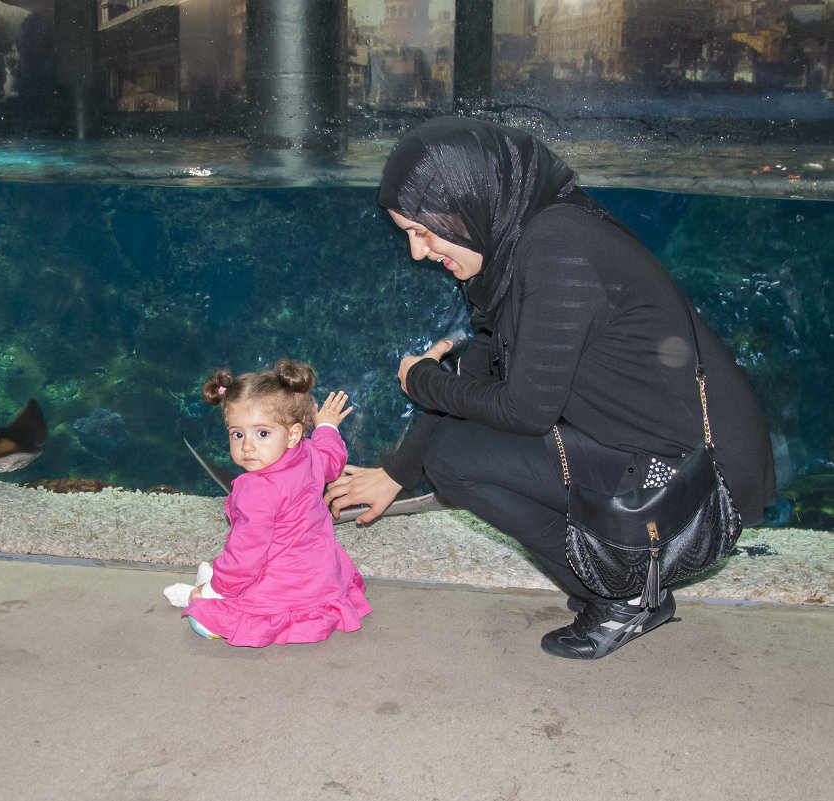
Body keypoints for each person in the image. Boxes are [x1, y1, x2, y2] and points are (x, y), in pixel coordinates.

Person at [323, 117, 775, 660]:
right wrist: (399, 471)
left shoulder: (557, 247)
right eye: (409, 236)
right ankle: (619, 582)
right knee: (451, 454)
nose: (418, 253)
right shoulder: (510, 252)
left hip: (699, 478)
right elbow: (478, 377)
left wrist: (423, 380)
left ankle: (626, 594)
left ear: (470, 200)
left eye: (424, 231)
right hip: (651, 449)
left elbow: (526, 411)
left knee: (456, 462)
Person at [175, 359, 372, 647]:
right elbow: (331, 458)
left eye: (262, 433)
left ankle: (215, 600)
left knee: (201, 617)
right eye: (237, 434)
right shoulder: (308, 453)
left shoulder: (257, 489)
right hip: (321, 574)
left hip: (283, 587)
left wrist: (214, 590)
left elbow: (246, 557)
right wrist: (327, 426)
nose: (248, 446)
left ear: (292, 434)